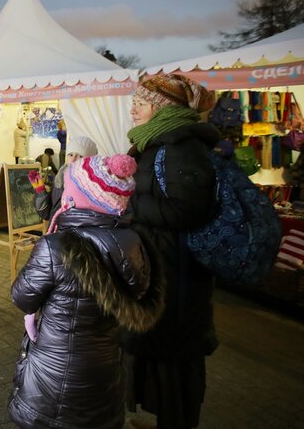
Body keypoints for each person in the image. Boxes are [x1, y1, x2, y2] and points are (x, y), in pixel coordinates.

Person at [10, 154, 165, 429]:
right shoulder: (134, 243)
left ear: (83, 198)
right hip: (104, 372)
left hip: (53, 376)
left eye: (70, 188)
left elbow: (22, 296)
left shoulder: (55, 247)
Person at [120, 73, 219, 429]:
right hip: (163, 266)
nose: (132, 109)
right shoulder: (157, 143)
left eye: (140, 103)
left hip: (178, 275)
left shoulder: (179, 147)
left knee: (175, 354)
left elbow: (187, 209)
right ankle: (164, 417)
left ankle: (176, 421)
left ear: (162, 110)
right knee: (158, 349)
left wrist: (128, 206)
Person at [37, 135, 98, 222]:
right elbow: (47, 214)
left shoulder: (96, 186)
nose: (73, 160)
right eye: (70, 155)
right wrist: (41, 193)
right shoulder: (60, 179)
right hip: (55, 233)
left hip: (75, 234)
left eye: (80, 156)